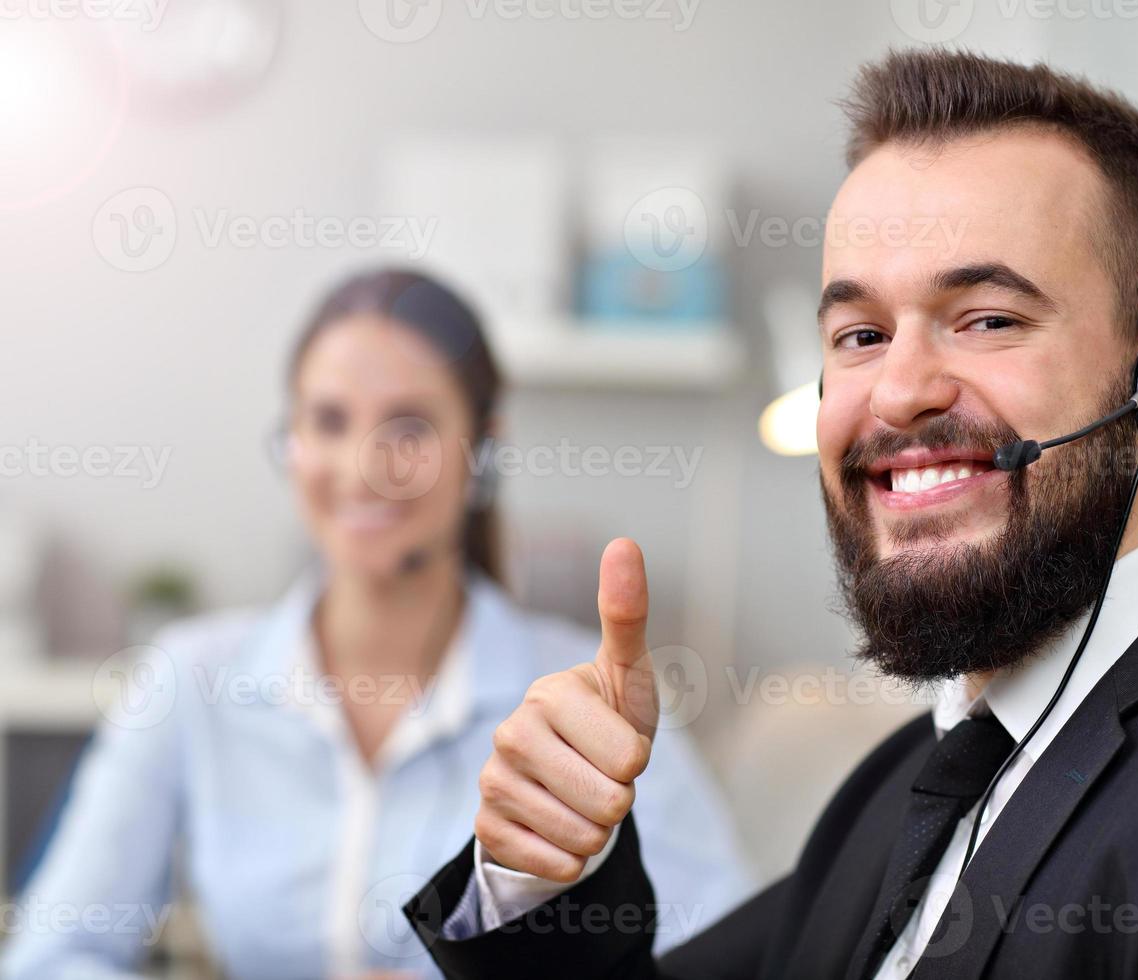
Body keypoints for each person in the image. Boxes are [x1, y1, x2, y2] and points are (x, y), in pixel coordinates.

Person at [403, 51, 1138, 979]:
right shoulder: (913, 776)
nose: (899, 390)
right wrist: (538, 873)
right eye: (859, 335)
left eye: (987, 317)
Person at [2, 269, 751, 979]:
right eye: (328, 420)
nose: (364, 465)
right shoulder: (191, 679)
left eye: (410, 426)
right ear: (291, 443)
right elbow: (47, 958)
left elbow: (732, 955)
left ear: (481, 451)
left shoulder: (584, 702)